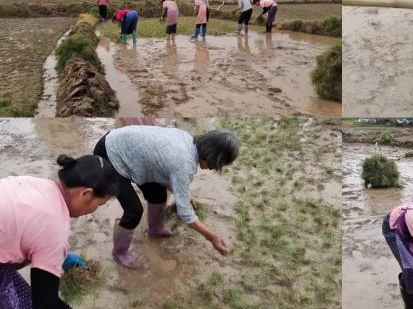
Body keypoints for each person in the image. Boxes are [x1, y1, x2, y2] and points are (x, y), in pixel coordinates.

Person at [92, 125, 240, 269]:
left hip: (124, 147)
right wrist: (211, 237)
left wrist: (184, 196)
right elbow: (185, 214)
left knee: (158, 194)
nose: (214, 168)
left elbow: (166, 174)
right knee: (134, 211)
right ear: (212, 156)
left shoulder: (187, 139)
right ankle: (120, 253)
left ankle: (155, 229)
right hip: (110, 153)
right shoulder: (184, 164)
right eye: (217, 164)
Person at [0, 154, 118, 308]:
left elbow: (25, 229)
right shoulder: (53, 226)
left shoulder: (38, 185)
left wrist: (59, 256)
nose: (94, 210)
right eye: (99, 204)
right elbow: (44, 303)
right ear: (86, 194)